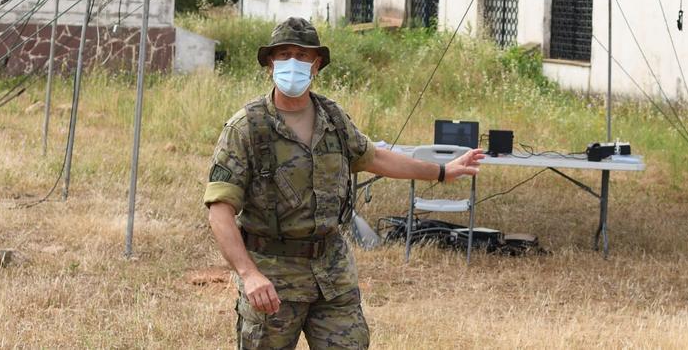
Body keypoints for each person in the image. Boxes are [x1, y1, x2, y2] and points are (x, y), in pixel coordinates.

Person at [205, 17, 483, 349]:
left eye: (303, 55)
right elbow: (219, 211)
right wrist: (249, 275)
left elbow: (374, 158)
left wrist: (441, 171)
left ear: (316, 65)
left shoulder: (332, 118)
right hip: (273, 279)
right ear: (270, 65)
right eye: (284, 55)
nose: (293, 62)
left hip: (332, 274)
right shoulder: (246, 128)